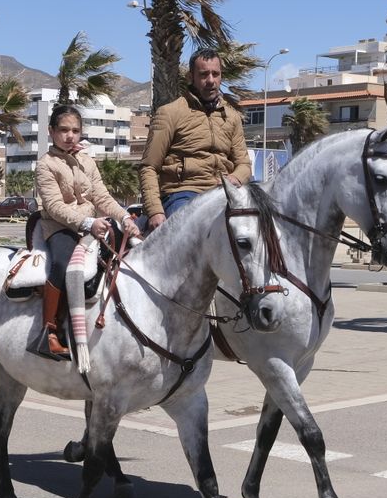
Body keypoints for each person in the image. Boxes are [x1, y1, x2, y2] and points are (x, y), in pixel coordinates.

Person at [32, 104, 140, 360]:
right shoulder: (45, 165)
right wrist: (88, 223)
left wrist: (124, 217)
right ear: (51, 131)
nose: (70, 135)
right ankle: (49, 331)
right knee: (62, 263)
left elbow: (102, 196)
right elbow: (55, 206)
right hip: (58, 226)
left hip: (91, 225)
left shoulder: (86, 161)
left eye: (75, 130)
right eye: (64, 130)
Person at [138, 48, 252, 231]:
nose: (211, 81)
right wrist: (154, 211)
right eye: (204, 74)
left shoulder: (232, 117)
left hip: (224, 193)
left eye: (216, 74)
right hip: (182, 195)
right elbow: (149, 167)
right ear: (191, 77)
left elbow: (244, 165)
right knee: (189, 230)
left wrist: (234, 179)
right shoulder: (170, 113)